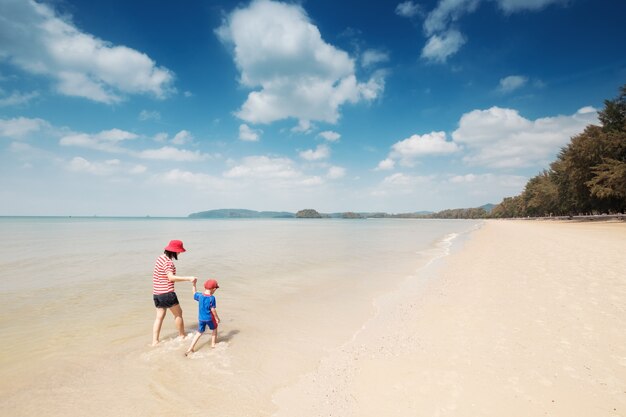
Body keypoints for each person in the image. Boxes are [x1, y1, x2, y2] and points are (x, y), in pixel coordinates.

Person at [152, 239, 197, 346]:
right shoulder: (168, 262)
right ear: (174, 251)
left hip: (157, 294)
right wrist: (188, 278)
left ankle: (155, 341)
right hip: (167, 293)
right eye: (179, 251)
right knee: (178, 314)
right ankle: (182, 336)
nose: (180, 253)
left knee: (159, 317)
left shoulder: (160, 258)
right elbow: (170, 277)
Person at [185, 279, 221, 356]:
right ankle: (213, 344)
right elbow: (213, 309)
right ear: (213, 289)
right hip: (209, 318)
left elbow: (194, 293)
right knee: (214, 328)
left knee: (199, 332)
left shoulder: (200, 296)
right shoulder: (212, 298)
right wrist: (217, 318)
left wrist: (194, 284)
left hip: (201, 318)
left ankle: (191, 347)